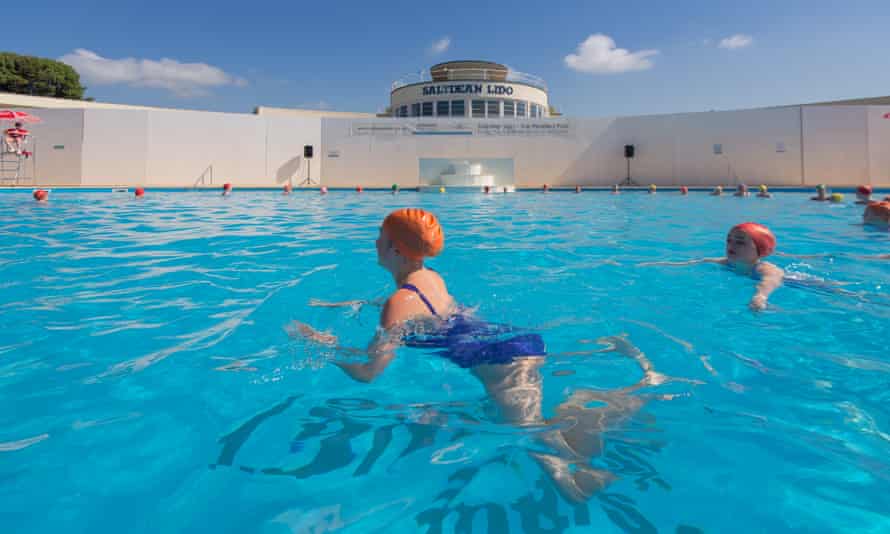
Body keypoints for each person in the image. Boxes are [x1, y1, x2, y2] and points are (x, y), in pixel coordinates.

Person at [291, 208, 676, 502]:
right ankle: (597, 437)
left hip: (501, 364)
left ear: (395, 248)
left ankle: (595, 463)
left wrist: (323, 345)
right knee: (530, 427)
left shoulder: (398, 303)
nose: (374, 243)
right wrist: (350, 303)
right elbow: (422, 312)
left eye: (379, 237)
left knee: (531, 435)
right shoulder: (430, 279)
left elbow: (369, 372)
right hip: (513, 342)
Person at [640, 222, 783, 311]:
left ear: (759, 249)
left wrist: (760, 296)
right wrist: (658, 264)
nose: (731, 245)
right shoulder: (724, 262)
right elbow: (695, 262)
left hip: (795, 283)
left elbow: (770, 282)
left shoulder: (764, 269)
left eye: (740, 242)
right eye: (729, 240)